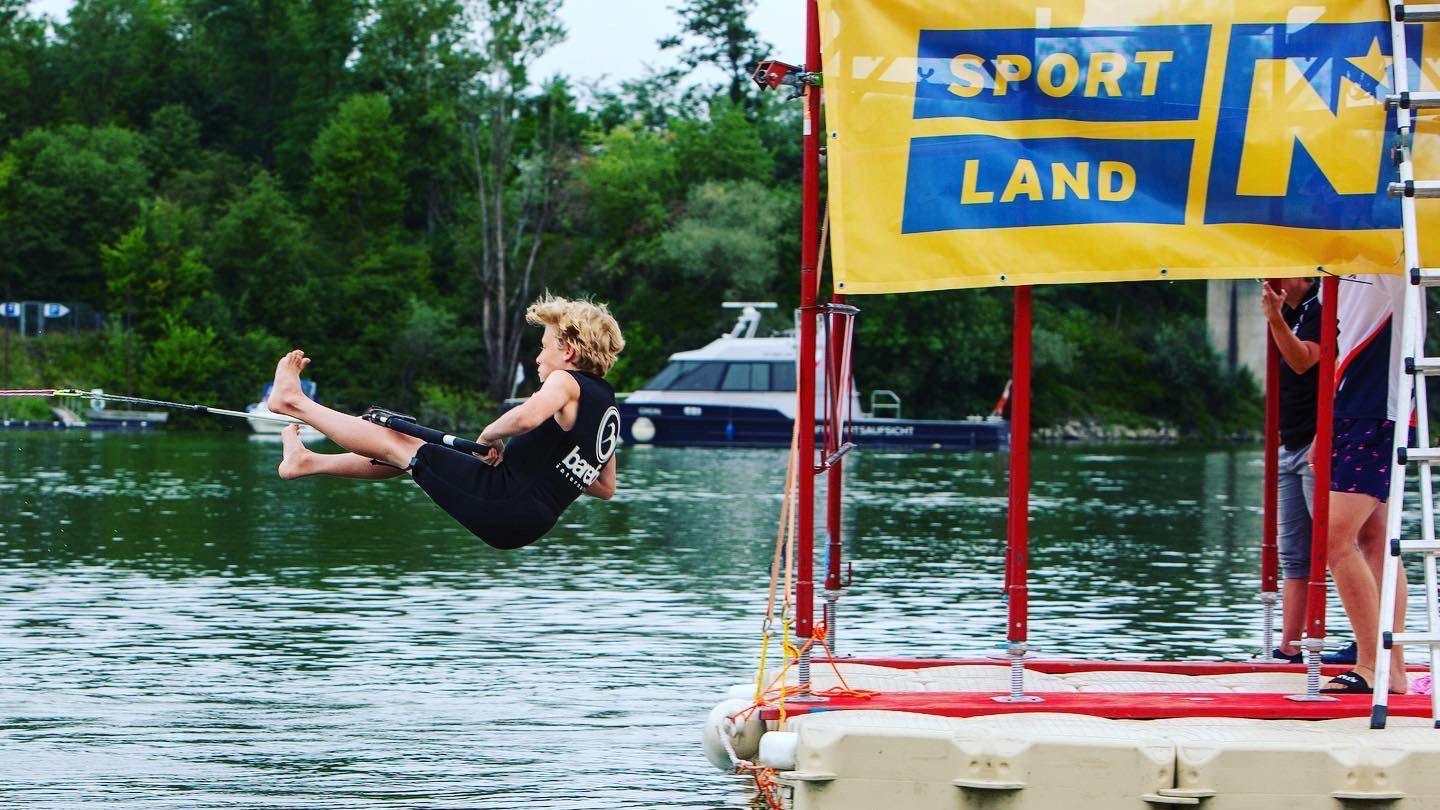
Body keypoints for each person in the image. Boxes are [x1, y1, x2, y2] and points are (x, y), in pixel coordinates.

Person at [267, 294, 625, 551]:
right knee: (418, 458)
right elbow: (604, 487)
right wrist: (548, 473)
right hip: (528, 523)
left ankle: (293, 402)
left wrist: (489, 437)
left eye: (544, 347)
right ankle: (307, 462)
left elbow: (527, 416)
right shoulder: (608, 410)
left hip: (502, 500)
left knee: (396, 439)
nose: (537, 357)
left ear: (569, 353)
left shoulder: (565, 381)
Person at [1316, 273, 1409, 694]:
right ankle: (1394, 668)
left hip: (1375, 407)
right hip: (1355, 401)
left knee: (1334, 539)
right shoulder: (1336, 264)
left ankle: (1374, 665)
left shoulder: (1377, 251)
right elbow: (1340, 339)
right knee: (1375, 538)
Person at [1259, 277, 1320, 663]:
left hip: (1319, 443)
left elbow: (1303, 361)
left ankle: (1367, 644)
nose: (1272, 278)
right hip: (1292, 442)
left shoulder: (1322, 308)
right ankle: (1290, 646)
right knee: (1294, 555)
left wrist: (1274, 318)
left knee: (1339, 549)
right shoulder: (1294, 314)